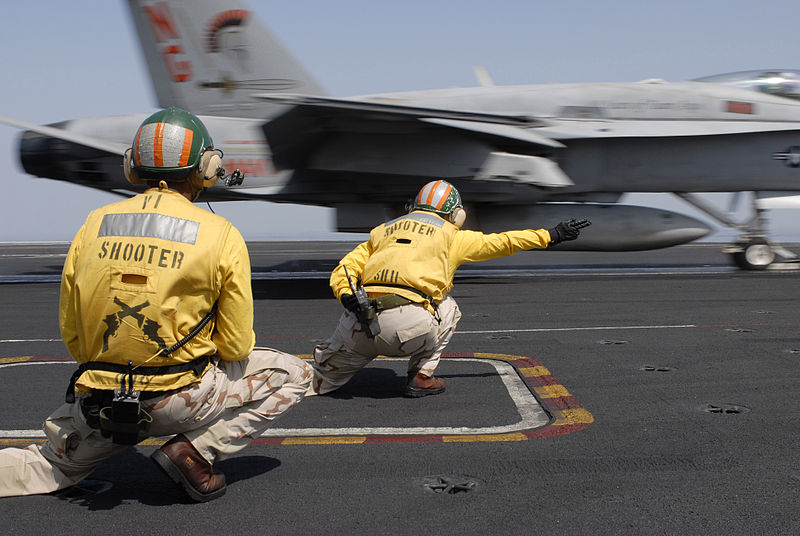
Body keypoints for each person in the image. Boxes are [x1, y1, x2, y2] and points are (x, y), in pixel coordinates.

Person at [0, 107, 311, 502]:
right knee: (295, 373)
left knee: (44, 467)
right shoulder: (221, 234)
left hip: (100, 405)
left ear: (132, 166)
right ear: (208, 168)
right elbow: (236, 347)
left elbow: (74, 332)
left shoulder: (94, 223)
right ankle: (194, 453)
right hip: (182, 400)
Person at [311, 179, 589, 398]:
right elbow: (504, 242)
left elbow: (346, 268)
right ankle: (421, 378)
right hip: (407, 331)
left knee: (314, 383)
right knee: (449, 308)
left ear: (413, 206)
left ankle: (296, 375)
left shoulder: (382, 231)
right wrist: (552, 234)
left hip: (358, 327)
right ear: (455, 214)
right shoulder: (452, 236)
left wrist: (347, 295)